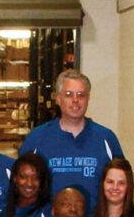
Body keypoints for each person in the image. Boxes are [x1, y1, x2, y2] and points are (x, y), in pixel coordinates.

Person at [18, 70, 122, 206]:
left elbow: (123, 183)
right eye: (68, 94)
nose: (75, 100)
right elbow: (20, 187)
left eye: (81, 95)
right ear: (58, 99)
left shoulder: (106, 138)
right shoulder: (37, 138)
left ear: (88, 98)